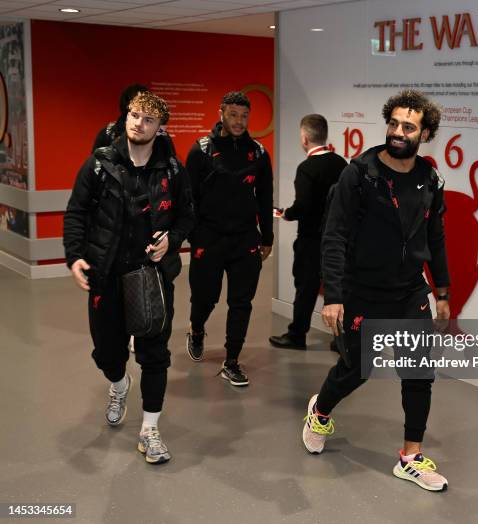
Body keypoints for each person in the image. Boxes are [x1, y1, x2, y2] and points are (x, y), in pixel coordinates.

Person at [301, 90, 451, 492]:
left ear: (426, 133)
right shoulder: (359, 174)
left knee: (418, 373)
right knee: (356, 369)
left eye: (409, 126)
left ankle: (410, 457)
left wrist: (443, 290)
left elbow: (434, 237)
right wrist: (333, 295)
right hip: (361, 291)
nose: (398, 132)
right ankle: (321, 410)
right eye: (394, 123)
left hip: (409, 292)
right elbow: (333, 237)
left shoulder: (429, 178)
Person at [64, 92, 194, 464]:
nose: (138, 123)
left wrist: (172, 241)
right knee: (107, 352)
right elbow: (76, 212)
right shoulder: (99, 164)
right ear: (126, 118)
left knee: (155, 355)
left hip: (151, 276)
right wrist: (75, 257)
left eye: (147, 119)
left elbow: (188, 215)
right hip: (105, 274)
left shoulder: (172, 170)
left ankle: (150, 429)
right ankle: (119, 384)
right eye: (134, 116)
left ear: (159, 127)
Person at [185, 91, 273, 386]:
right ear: (221, 112)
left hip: (245, 239)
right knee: (205, 298)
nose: (239, 121)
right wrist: (194, 237)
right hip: (208, 239)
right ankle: (197, 330)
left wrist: (267, 237)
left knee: (241, 302)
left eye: (245, 116)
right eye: (233, 114)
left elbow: (265, 197)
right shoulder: (201, 150)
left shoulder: (259, 153)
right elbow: (189, 200)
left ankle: (232, 361)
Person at [269, 114, 347, 350]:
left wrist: (285, 213)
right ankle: (340, 339)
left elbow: (303, 206)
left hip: (311, 239)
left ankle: (297, 335)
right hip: (338, 239)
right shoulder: (341, 163)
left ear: (304, 138)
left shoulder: (306, 168)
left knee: (306, 287)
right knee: (339, 289)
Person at [91, 83, 149, 151]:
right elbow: (95, 160)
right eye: (138, 103)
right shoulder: (108, 133)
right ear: (127, 105)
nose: (142, 108)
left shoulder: (155, 133)